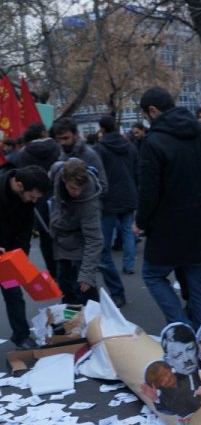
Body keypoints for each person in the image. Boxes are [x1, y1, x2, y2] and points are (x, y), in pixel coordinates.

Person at [136, 87, 201, 329]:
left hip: (168, 224)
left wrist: (141, 221)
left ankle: (182, 329)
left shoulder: (153, 142)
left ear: (153, 110)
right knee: (199, 281)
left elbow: (149, 191)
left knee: (152, 274)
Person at [52, 116, 127, 307]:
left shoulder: (90, 154)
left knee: (100, 258)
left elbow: (103, 185)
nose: (63, 143)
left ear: (76, 135)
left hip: (90, 212)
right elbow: (57, 196)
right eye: (59, 139)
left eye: (66, 138)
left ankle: (117, 292)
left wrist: (86, 196)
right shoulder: (61, 157)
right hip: (68, 223)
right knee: (71, 276)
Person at [0, 165, 52, 348]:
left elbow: (26, 228)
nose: (34, 201)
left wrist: (22, 256)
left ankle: (21, 336)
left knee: (13, 293)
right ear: (20, 185)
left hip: (7, 257)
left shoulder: (29, 199)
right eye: (32, 196)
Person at [49, 159, 103, 305]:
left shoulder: (88, 199)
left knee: (85, 287)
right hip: (61, 237)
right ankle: (71, 323)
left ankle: (94, 321)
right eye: (73, 188)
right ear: (63, 179)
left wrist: (87, 274)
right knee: (66, 287)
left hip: (80, 239)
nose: (77, 193)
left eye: (80, 188)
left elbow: (95, 239)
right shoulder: (57, 173)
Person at [95, 115, 139, 275]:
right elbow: (136, 170)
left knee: (105, 233)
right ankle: (129, 265)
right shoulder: (130, 146)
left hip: (109, 197)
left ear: (102, 129)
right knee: (128, 231)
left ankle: (104, 262)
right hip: (129, 194)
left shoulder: (100, 149)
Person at [15, 122, 61, 277]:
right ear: (44, 133)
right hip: (61, 202)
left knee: (46, 241)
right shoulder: (58, 147)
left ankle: (55, 276)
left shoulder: (23, 154)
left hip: (38, 205)